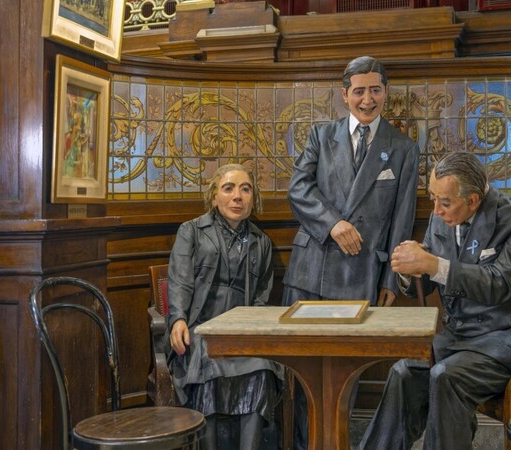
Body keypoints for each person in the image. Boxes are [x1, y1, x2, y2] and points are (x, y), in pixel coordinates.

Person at [359, 152, 511, 450]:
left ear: (474, 200)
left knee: (445, 377)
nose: (436, 209)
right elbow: (428, 281)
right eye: (432, 198)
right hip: (460, 339)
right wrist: (407, 268)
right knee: (403, 374)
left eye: (445, 202)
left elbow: (499, 283)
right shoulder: (443, 216)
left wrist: (431, 264)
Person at [282, 56, 420, 449]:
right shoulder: (320, 136)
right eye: (359, 90)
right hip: (310, 273)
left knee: (345, 378)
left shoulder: (404, 148)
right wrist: (333, 224)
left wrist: (393, 277)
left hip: (361, 277)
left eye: (375, 89)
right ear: (345, 95)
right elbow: (298, 190)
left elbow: (402, 219)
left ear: (385, 94)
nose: (367, 98)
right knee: (302, 377)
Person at [166, 163, 284, 450]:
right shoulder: (191, 231)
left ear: (253, 198)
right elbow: (179, 280)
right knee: (208, 359)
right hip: (199, 331)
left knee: (262, 366)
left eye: (246, 189)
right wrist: (178, 319)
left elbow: (260, 300)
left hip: (242, 334)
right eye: (228, 188)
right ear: (214, 196)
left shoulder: (261, 242)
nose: (237, 196)